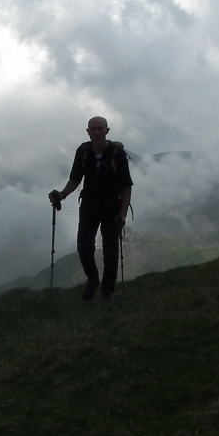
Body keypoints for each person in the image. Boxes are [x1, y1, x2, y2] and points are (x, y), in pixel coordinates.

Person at [49, 116, 133, 300]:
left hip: (112, 207)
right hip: (89, 205)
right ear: (88, 132)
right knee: (84, 247)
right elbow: (75, 178)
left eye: (100, 128)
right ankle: (94, 280)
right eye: (93, 129)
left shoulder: (117, 155)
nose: (96, 132)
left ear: (107, 131)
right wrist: (62, 195)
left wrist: (122, 214)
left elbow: (127, 186)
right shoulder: (83, 151)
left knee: (110, 251)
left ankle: (107, 289)